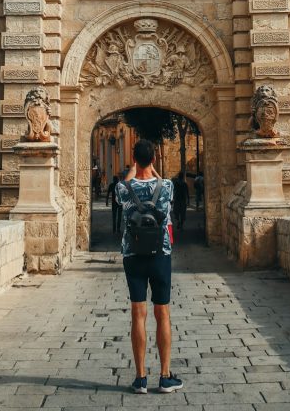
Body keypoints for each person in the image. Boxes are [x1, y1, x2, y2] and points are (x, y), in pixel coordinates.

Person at [116, 139, 183, 395]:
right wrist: (153, 172)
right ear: (153, 159)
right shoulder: (166, 186)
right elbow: (161, 181)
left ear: (134, 159)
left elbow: (127, 183)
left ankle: (140, 378)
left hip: (132, 254)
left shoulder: (123, 188)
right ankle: (165, 377)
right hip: (160, 254)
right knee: (162, 313)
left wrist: (133, 171)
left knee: (138, 314)